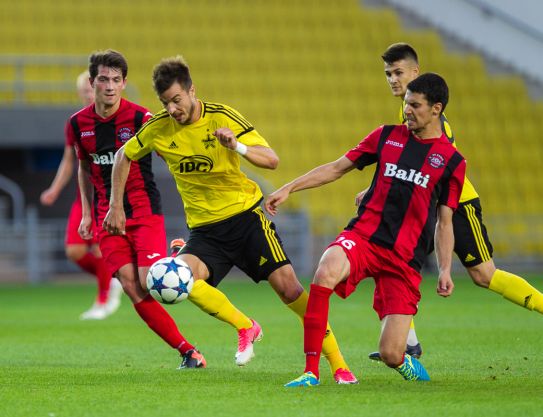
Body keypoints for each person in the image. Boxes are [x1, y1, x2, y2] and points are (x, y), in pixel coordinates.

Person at [103, 55, 358, 383]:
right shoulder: (157, 130)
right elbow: (124, 155)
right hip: (205, 231)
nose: (172, 110)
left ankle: (339, 365)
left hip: (246, 219)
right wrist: (115, 206)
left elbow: (272, 160)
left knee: (290, 290)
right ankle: (245, 326)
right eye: (165, 103)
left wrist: (236, 146)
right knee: (181, 280)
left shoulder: (222, 117)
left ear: (192, 91)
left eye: (177, 100)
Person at [266, 73, 466, 386]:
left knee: (390, 354)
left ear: (436, 109)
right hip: (364, 237)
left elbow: (445, 220)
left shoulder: (452, 161)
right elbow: (336, 168)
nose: (407, 110)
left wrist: (445, 269)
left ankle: (402, 361)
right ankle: (311, 371)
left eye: (415, 105)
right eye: (405, 104)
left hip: (403, 260)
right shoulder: (386, 136)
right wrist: (290, 188)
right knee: (325, 272)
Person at [362, 43, 543, 361]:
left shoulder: (435, 120)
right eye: (388, 74)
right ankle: (409, 343)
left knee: (484, 275)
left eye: (398, 72)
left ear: (416, 73)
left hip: (456, 204)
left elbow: (437, 164)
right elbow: (403, 161)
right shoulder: (406, 112)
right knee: (389, 260)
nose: (392, 79)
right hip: (423, 206)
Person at [73, 49, 205, 369]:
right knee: (132, 288)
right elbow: (84, 167)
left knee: (150, 284)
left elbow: (167, 152)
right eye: (103, 79)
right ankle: (188, 351)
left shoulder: (140, 118)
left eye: (116, 80)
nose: (109, 86)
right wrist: (89, 213)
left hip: (144, 212)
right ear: (92, 82)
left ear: (124, 83)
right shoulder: (79, 124)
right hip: (108, 219)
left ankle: (175, 256)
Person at [40, 70, 123, 320]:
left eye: (91, 89)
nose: (89, 94)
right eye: (85, 91)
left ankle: (103, 301)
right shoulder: (76, 123)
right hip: (84, 196)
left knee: (100, 249)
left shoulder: (117, 119)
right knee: (74, 251)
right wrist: (54, 189)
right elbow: (69, 162)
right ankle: (113, 279)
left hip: (106, 196)